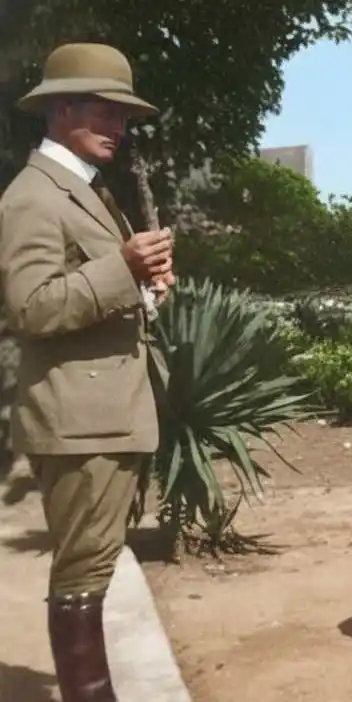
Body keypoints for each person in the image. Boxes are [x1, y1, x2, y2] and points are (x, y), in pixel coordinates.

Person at [0, 43, 175, 701]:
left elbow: (93, 296)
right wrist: (122, 268)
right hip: (80, 424)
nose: (119, 128)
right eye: (105, 112)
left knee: (92, 570)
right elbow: (32, 307)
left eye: (124, 116)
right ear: (60, 108)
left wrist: (148, 290)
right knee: (82, 573)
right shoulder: (33, 198)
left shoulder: (82, 191)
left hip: (101, 418)